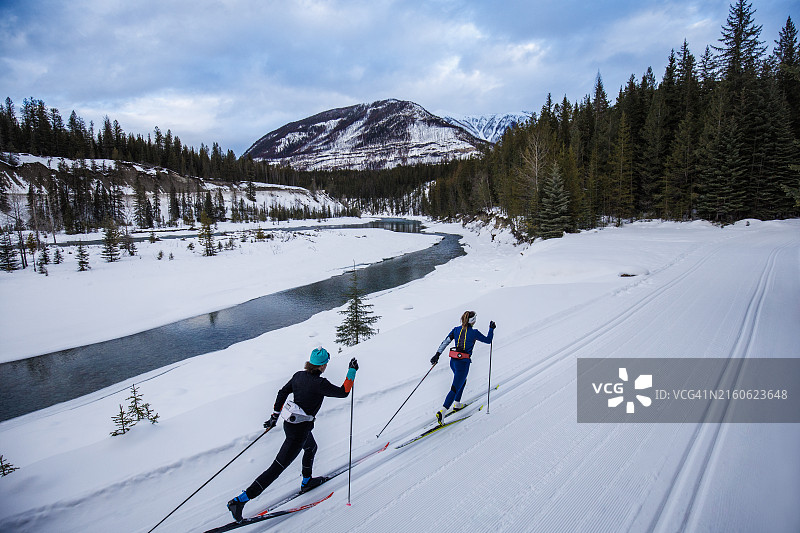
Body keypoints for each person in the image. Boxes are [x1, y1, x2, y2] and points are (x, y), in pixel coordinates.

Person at [226, 347, 358, 522]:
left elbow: (282, 392)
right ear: (322, 365)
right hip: (299, 432)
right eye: (326, 362)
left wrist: (274, 416)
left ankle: (306, 482)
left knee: (311, 447)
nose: (326, 365)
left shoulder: (298, 376)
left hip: (291, 426)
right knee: (276, 469)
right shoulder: (320, 384)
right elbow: (343, 392)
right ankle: (240, 501)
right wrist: (351, 371)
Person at [430, 311, 495, 425]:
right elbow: (488, 340)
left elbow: (445, 342)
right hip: (463, 364)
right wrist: (491, 329)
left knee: (462, 382)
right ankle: (443, 411)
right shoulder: (474, 332)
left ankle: (457, 404)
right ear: (473, 321)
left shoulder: (456, 329)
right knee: (455, 387)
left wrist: (437, 354)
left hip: (453, 362)